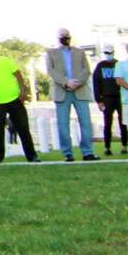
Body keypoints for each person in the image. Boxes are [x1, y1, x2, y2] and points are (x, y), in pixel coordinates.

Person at [0, 42, 38, 163]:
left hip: (14, 99)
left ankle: (32, 155)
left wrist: (23, 90)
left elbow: (18, 74)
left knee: (23, 127)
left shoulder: (3, 60)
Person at [45, 29, 99, 162]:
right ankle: (67, 153)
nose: (65, 39)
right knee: (63, 124)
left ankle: (88, 152)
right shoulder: (51, 53)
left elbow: (86, 69)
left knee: (85, 122)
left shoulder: (80, 52)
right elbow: (51, 71)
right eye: (62, 37)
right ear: (58, 38)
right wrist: (66, 82)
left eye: (67, 36)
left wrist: (77, 82)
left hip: (80, 91)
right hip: (62, 91)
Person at [92, 44, 128, 156]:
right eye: (106, 53)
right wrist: (99, 100)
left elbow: (126, 80)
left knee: (124, 122)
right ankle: (107, 147)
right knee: (107, 122)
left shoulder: (120, 65)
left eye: (110, 53)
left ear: (113, 52)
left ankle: (124, 146)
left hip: (120, 97)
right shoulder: (100, 66)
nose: (108, 55)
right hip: (107, 98)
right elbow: (96, 83)